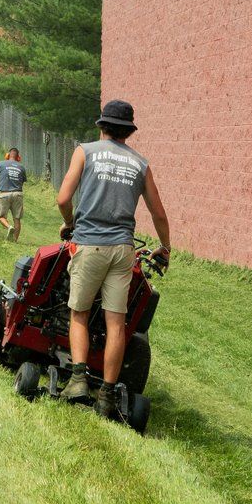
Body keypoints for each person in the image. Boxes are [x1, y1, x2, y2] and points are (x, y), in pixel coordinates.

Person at [56, 100, 170, 417]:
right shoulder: (140, 164)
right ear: (128, 132)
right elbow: (158, 212)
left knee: (78, 311)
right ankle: (106, 395)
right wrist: (165, 247)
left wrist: (69, 223)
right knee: (116, 323)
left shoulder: (86, 151)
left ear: (101, 126)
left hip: (89, 244)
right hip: (123, 250)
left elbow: (64, 198)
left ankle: (78, 380)